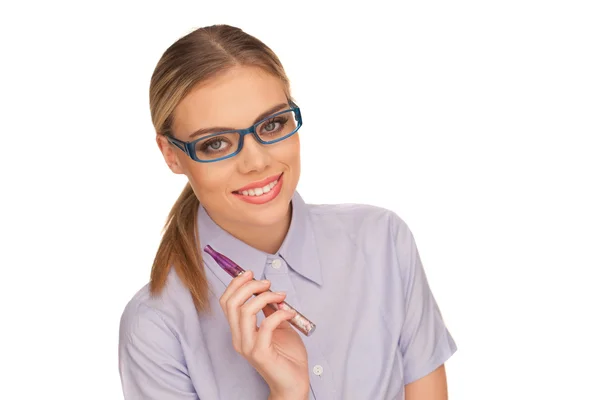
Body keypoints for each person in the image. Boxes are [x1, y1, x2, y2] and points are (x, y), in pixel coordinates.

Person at [118, 24, 457, 400]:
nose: (256, 161)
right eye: (215, 143)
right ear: (170, 154)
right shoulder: (155, 327)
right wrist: (286, 392)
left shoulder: (383, 242)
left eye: (272, 124)